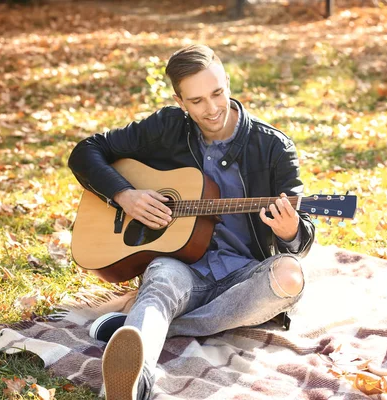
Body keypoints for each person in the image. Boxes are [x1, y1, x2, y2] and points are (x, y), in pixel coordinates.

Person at [67, 44, 315, 400]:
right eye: (197, 101)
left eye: (217, 93)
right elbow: (86, 151)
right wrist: (125, 195)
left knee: (291, 277)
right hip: (183, 264)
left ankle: (142, 326)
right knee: (160, 283)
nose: (212, 108)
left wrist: (289, 230)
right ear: (180, 101)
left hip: (244, 276)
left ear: (227, 81)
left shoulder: (273, 147)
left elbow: (302, 235)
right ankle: (131, 385)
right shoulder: (167, 127)